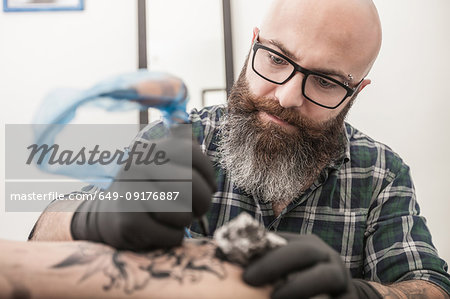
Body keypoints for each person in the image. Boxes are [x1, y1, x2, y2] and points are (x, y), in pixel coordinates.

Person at [29, 0, 450, 298]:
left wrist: (363, 295)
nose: (287, 96)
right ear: (253, 45)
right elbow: (43, 239)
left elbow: (428, 286)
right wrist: (96, 218)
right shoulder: (178, 138)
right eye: (276, 59)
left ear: (355, 91)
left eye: (325, 81)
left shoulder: (381, 174)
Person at [0, 238, 272, 299]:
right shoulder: (182, 134)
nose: (286, 98)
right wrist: (83, 216)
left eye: (318, 85)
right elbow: (45, 229)